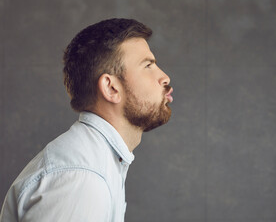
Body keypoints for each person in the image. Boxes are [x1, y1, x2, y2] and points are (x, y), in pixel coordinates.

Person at [0, 18, 173, 222]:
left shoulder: (95, 164)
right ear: (111, 88)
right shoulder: (81, 180)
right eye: (148, 65)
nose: (164, 77)